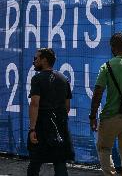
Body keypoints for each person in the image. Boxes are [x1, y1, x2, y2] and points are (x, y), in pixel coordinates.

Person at [89, 32, 122, 176]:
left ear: (113, 48)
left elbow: (98, 92)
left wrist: (92, 116)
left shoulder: (106, 66)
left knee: (104, 149)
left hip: (109, 116)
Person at [27, 48, 74, 176]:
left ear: (44, 60)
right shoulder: (64, 79)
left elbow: (34, 104)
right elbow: (67, 107)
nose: (34, 61)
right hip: (60, 127)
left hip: (42, 127)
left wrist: (32, 129)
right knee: (60, 163)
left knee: (35, 163)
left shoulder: (37, 79)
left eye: (36, 58)